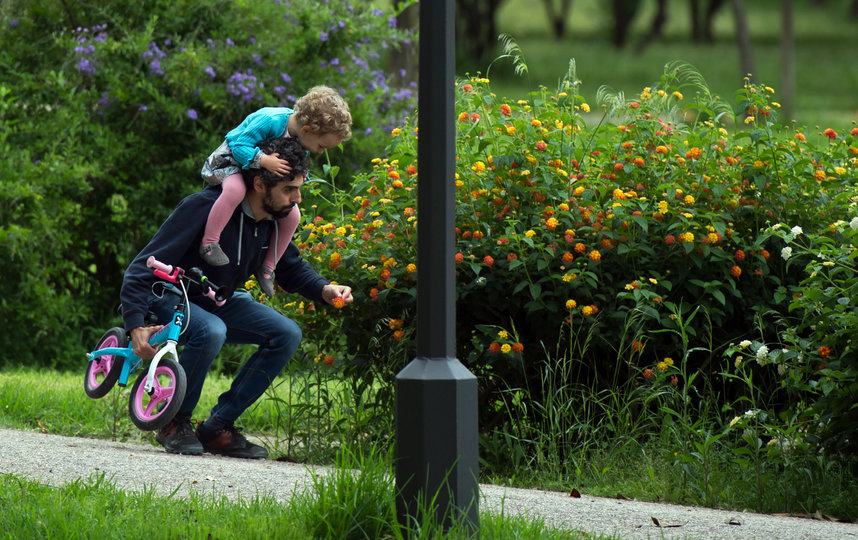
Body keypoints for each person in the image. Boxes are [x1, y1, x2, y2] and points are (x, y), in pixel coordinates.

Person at [120, 136, 353, 459]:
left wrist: (324, 289)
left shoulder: (273, 220)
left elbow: (290, 267)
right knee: (211, 329)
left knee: (285, 334)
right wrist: (134, 324)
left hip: (218, 300)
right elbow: (139, 268)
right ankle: (173, 421)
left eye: (298, 189)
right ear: (259, 182)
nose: (296, 199)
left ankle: (218, 427)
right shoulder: (202, 207)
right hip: (171, 296)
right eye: (289, 189)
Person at [199, 85, 352, 297]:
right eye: (321, 146)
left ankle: (268, 267)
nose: (320, 151)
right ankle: (209, 243)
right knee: (235, 191)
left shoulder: (301, 137)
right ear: (306, 130)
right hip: (229, 163)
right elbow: (237, 143)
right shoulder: (271, 119)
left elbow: (297, 164)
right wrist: (263, 160)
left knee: (293, 215)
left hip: (256, 173)